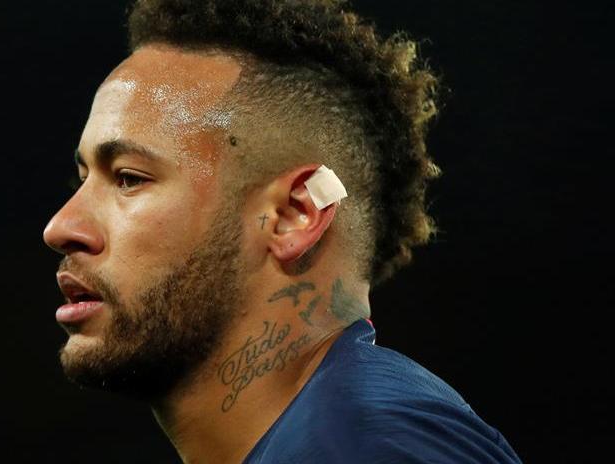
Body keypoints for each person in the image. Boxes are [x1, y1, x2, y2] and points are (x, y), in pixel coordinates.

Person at [42, 1, 522, 462]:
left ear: (296, 215)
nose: (61, 227)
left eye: (128, 178)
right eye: (83, 179)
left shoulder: (369, 446)